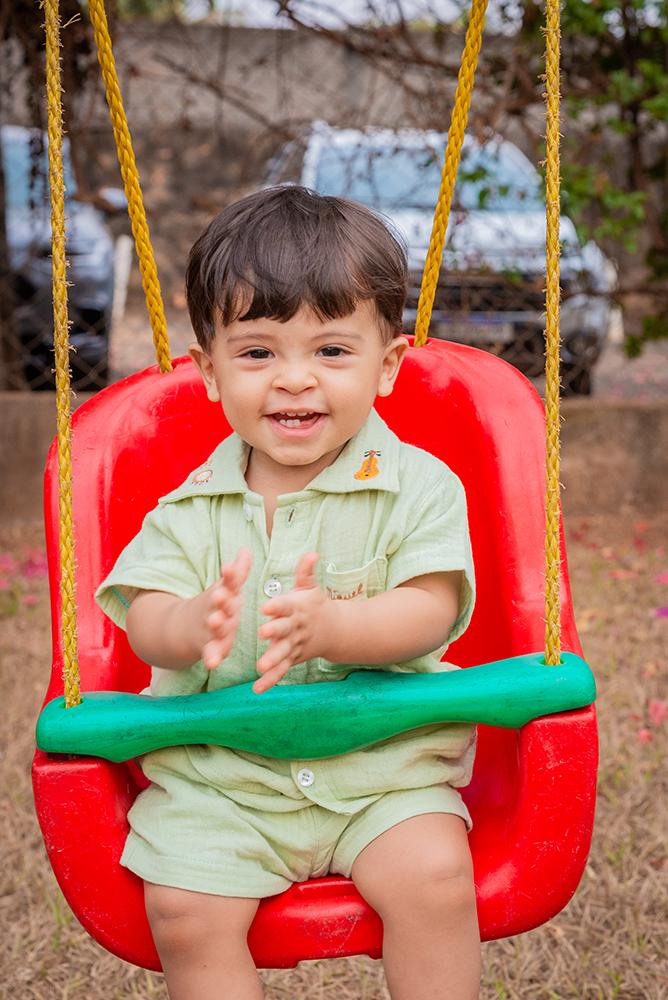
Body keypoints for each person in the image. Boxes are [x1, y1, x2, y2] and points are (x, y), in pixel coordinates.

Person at [95, 185, 479, 1000]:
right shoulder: (188, 511)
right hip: (224, 780)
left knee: (437, 877)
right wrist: (188, 622)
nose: (294, 381)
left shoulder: (420, 488)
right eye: (259, 352)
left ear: (388, 365)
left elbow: (432, 607)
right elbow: (145, 621)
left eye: (332, 352)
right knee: (186, 908)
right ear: (209, 372)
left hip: (384, 776)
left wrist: (338, 628)